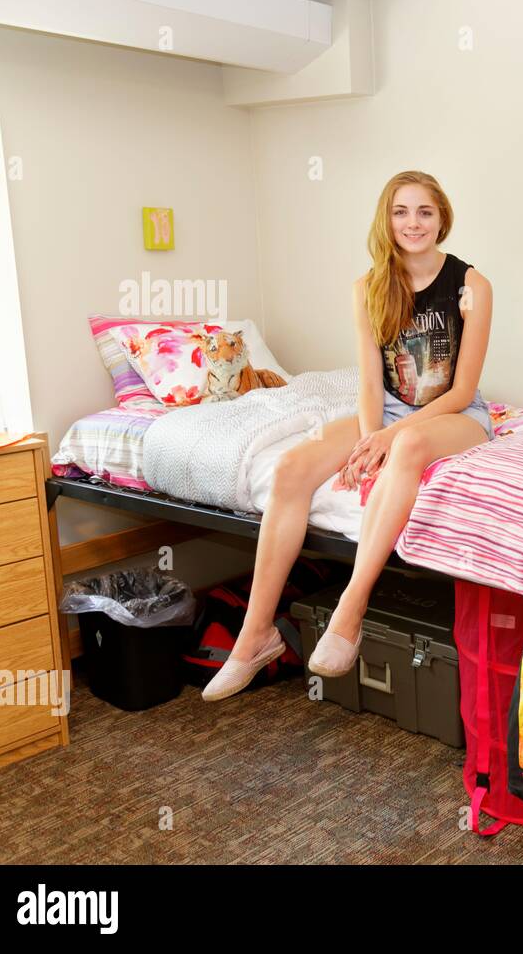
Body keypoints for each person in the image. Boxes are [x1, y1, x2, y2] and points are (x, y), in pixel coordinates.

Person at [203, 171, 493, 701]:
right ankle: (254, 636)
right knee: (292, 467)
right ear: (387, 220)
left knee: (404, 446)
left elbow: (463, 389)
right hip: (387, 409)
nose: (413, 223)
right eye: (401, 212)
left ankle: (351, 609)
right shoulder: (368, 287)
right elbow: (368, 382)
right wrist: (367, 438)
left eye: (424, 211)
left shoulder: (472, 286)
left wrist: (390, 437)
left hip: (455, 414)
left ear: (442, 218)